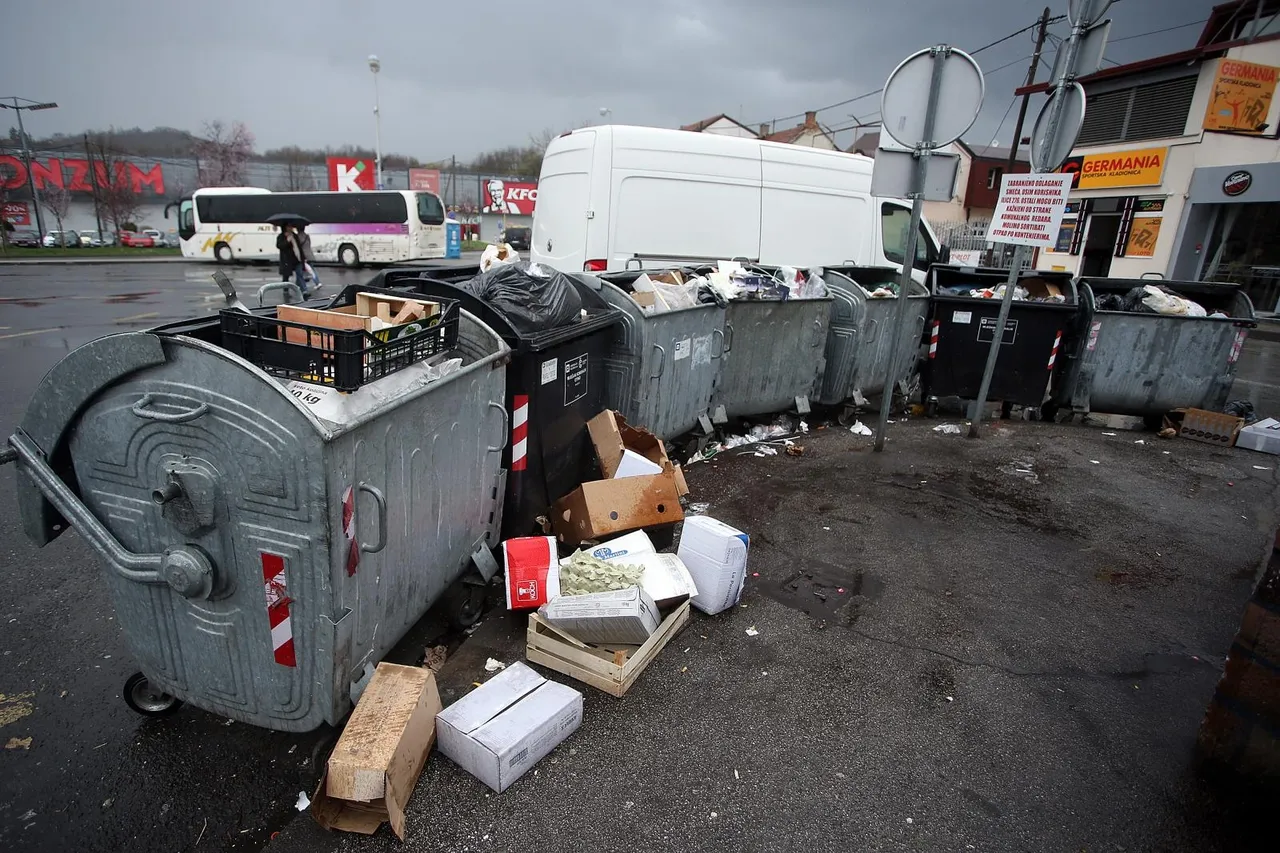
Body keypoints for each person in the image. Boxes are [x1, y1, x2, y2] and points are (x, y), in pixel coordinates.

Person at [275, 223, 310, 297]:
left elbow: (299, 248)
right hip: (287, 260)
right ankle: (286, 290)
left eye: (291, 226)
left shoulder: (294, 235)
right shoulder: (281, 236)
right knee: (286, 276)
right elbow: (279, 246)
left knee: (300, 274)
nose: (290, 228)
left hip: (297, 259)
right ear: (285, 227)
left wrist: (303, 257)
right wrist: (287, 240)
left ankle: (304, 290)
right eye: (289, 226)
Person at [296, 224, 321, 294]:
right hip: (310, 254)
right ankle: (298, 285)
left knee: (300, 270)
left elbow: (299, 247)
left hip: (304, 256)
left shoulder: (298, 237)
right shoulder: (307, 236)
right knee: (310, 270)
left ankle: (317, 282)